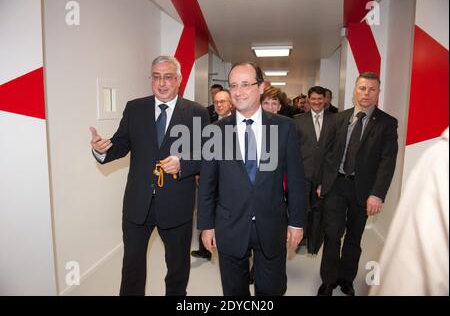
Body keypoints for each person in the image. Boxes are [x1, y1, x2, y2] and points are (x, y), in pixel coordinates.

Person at [89, 55, 209, 296]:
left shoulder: (196, 112)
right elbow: (120, 144)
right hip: (137, 203)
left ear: (178, 79)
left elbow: (207, 156)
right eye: (156, 77)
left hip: (177, 204)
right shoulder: (135, 108)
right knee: (131, 267)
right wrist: (101, 149)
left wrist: (183, 164)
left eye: (168, 77)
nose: (162, 83)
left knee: (177, 267)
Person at [197, 62, 306, 296]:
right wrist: (206, 225)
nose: (238, 91)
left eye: (246, 84)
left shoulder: (285, 126)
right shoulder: (215, 131)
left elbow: (297, 179)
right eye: (233, 85)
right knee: (234, 291)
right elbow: (207, 183)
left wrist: (296, 222)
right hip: (229, 223)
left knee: (271, 290)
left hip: (272, 222)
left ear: (262, 87)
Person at [316, 72, 398, 296]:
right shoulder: (338, 119)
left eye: (372, 89)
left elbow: (387, 162)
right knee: (332, 234)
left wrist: (377, 194)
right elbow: (327, 154)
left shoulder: (387, 123)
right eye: (362, 88)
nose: (366, 93)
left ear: (378, 93)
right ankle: (328, 281)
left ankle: (346, 279)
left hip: (363, 190)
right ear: (355, 90)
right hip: (335, 185)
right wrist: (323, 182)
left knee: (354, 236)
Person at [370, 128, 449, 296]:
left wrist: (377, 194)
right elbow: (413, 268)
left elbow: (387, 162)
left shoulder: (440, 159)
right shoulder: (442, 159)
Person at [191, 90, 233, 260]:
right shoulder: (209, 124)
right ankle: (205, 248)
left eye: (223, 101)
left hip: (228, 178)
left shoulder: (238, 124)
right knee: (206, 206)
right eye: (216, 102)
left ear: (231, 103)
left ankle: (225, 247)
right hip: (210, 176)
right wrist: (199, 171)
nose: (219, 105)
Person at [294, 86, 335, 254]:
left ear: (325, 100)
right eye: (313, 99)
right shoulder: (297, 120)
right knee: (301, 209)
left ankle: (314, 244)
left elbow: (335, 150)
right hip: (302, 174)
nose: (317, 102)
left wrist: (326, 179)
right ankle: (299, 239)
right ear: (308, 100)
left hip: (323, 175)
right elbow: (293, 149)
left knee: (319, 212)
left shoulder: (335, 119)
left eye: (320, 99)